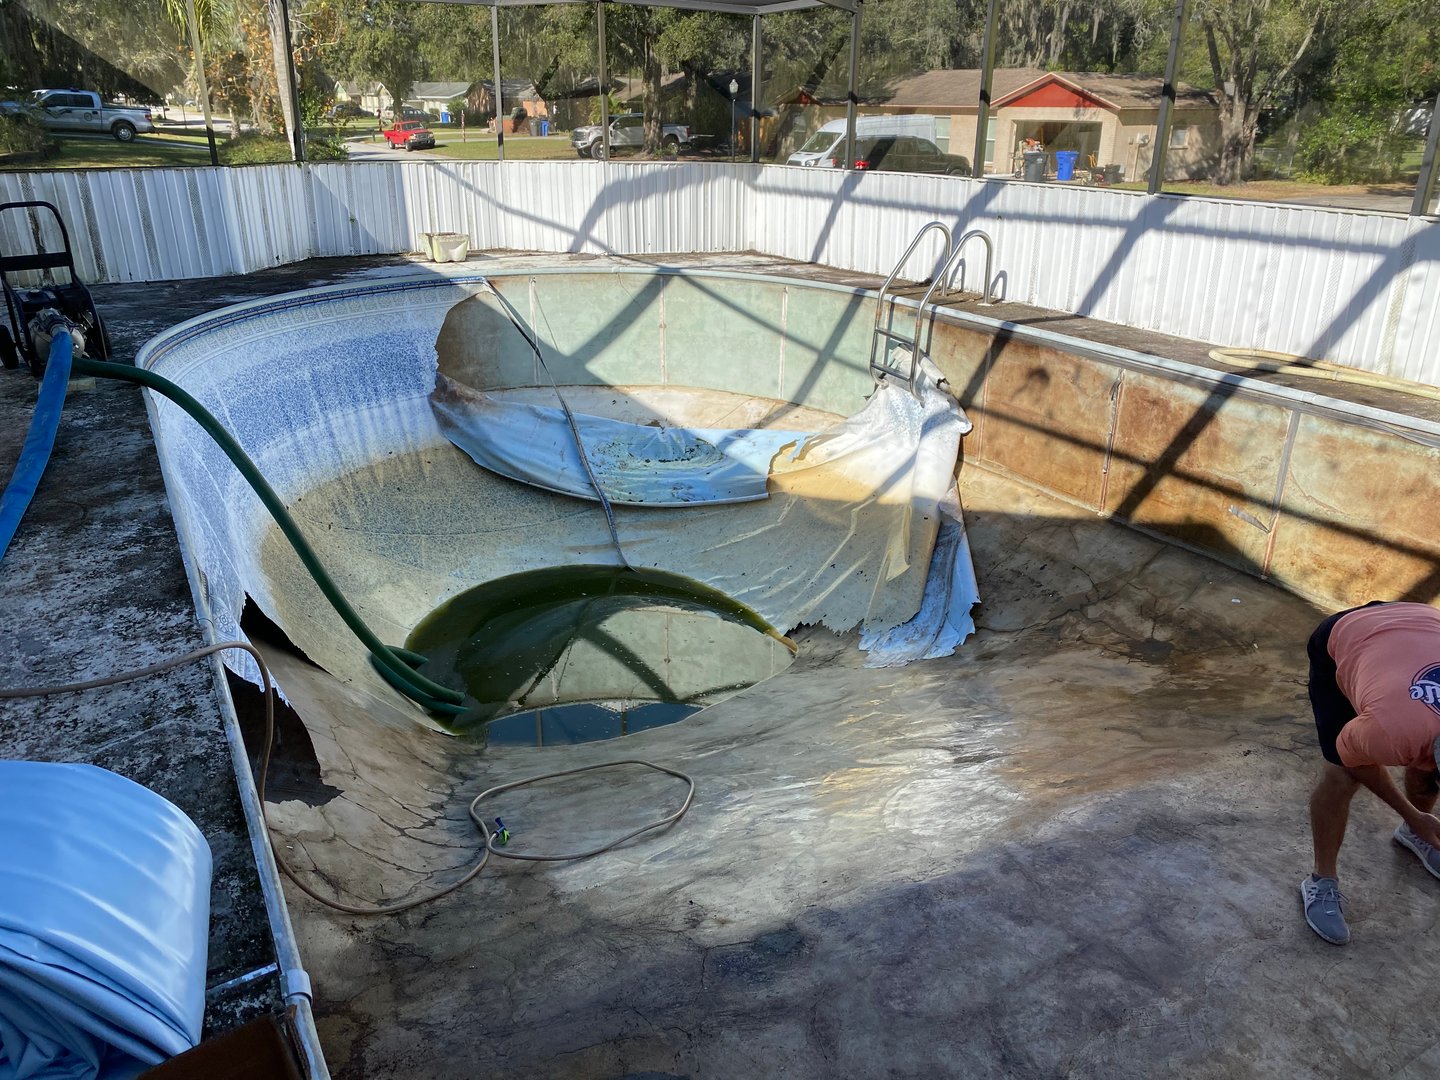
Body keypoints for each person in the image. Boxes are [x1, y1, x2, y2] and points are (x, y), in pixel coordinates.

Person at [1302, 600, 1440, 944]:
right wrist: (1410, 811)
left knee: (1425, 769)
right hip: (1347, 636)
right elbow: (1353, 759)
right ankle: (1321, 881)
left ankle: (1416, 832)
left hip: (1421, 623)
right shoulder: (1391, 731)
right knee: (1341, 777)